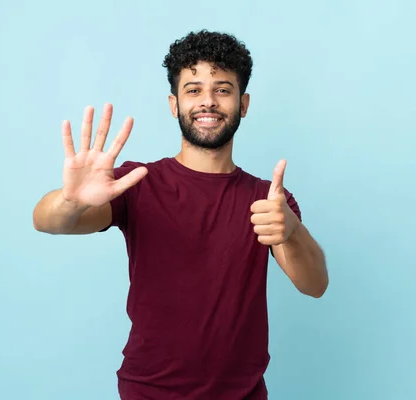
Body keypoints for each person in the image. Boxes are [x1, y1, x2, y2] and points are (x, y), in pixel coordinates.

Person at [33, 30, 328, 400]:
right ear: (174, 104)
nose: (208, 102)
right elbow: (47, 220)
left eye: (222, 89)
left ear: (244, 103)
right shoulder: (138, 182)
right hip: (149, 391)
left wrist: (292, 231)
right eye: (193, 90)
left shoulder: (269, 200)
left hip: (243, 394)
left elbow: (315, 285)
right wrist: (72, 201)